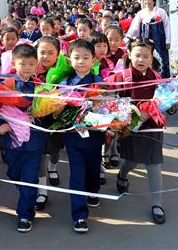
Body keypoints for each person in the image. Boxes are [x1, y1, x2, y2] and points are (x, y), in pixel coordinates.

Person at [108, 38, 166, 225]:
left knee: (153, 164)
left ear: (152, 58)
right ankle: (123, 174)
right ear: (129, 55)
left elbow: (165, 100)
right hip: (130, 127)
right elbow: (107, 93)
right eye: (137, 55)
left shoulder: (157, 77)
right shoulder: (121, 77)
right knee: (131, 160)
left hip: (153, 127)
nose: (141, 59)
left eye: (146, 56)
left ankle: (156, 205)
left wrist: (171, 104)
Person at [0, 44, 46, 233]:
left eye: (32, 64)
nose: (27, 67)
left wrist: (43, 110)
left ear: (36, 65)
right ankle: (24, 192)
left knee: (29, 177)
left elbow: (47, 109)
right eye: (23, 63)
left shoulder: (40, 86)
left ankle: (25, 214)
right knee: (15, 173)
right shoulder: (5, 83)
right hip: (12, 140)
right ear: (14, 63)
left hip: (33, 140)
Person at [61, 40, 105, 233]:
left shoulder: (100, 82)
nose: (81, 61)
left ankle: (92, 191)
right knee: (77, 173)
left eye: (86, 57)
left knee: (93, 169)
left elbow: (108, 107)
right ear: (69, 60)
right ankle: (79, 215)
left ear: (93, 60)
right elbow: (57, 108)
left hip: (94, 135)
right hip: (73, 136)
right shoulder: (64, 83)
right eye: (76, 57)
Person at [35, 36, 61, 210]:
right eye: (42, 52)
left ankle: (54, 166)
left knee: (55, 149)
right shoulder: (31, 70)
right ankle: (42, 190)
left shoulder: (63, 72)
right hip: (37, 119)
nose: (46, 56)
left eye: (50, 53)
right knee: (40, 154)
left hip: (57, 119)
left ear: (58, 54)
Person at [127, 0, 171, 77]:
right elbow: (135, 26)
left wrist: (168, 40)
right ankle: (147, 77)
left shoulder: (161, 12)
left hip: (159, 37)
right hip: (145, 37)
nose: (147, 2)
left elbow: (167, 26)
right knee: (146, 55)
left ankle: (162, 77)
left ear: (154, 1)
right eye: (145, 0)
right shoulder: (141, 13)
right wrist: (129, 35)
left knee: (161, 57)